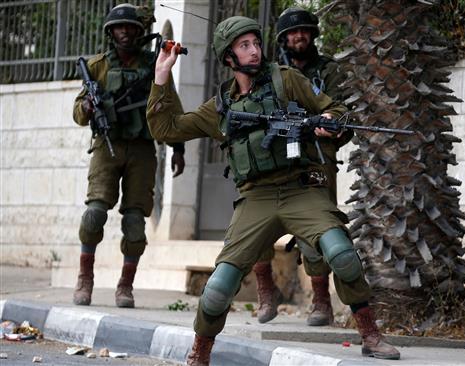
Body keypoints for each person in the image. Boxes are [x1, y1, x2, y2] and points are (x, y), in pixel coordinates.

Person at [147, 16, 400, 365]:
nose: (254, 51)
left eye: (255, 43)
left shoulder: (287, 80)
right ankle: (200, 352)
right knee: (219, 287)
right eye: (244, 46)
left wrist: (330, 124)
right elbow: (167, 128)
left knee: (342, 254)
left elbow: (335, 108)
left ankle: (371, 335)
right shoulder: (220, 105)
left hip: (302, 190)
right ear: (228, 57)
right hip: (256, 199)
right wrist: (162, 76)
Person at [72, 3, 185, 309]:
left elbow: (171, 104)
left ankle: (125, 286)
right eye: (119, 28)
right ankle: (85, 279)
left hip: (142, 150)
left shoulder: (154, 65)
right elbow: (78, 110)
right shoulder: (97, 66)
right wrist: (87, 108)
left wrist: (178, 148)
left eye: (130, 27)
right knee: (94, 213)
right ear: (111, 33)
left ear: (139, 31)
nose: (125, 32)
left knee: (135, 222)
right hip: (106, 147)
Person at [251, 7, 352, 327]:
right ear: (282, 38)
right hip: (273, 159)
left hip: (316, 157)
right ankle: (266, 293)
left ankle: (321, 301)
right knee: (256, 226)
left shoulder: (331, 71)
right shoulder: (267, 73)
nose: (299, 36)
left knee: (318, 231)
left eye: (305, 31)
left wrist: (333, 125)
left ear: (314, 35)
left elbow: (344, 114)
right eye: (293, 33)